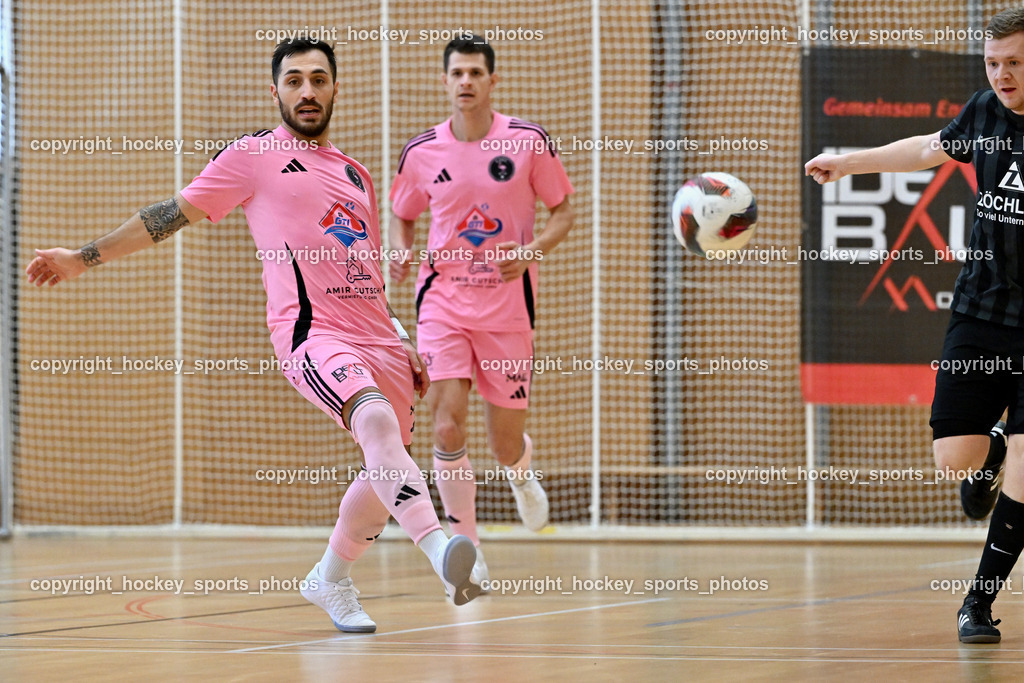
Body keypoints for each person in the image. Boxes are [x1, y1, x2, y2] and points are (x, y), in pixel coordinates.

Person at [25, 38, 481, 633]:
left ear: (336, 89)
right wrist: (84, 258)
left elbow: (362, 269)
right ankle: (440, 549)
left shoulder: (356, 174)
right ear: (276, 92)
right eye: (294, 80)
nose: (308, 91)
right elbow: (170, 213)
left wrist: (400, 334)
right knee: (373, 424)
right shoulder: (252, 156)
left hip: (381, 340)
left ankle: (331, 580)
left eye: (319, 79)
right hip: (313, 333)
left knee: (382, 465)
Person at [803, 8, 1024, 644]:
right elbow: (926, 149)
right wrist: (850, 162)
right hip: (981, 312)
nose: (1002, 74)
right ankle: (991, 456)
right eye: (992, 62)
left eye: (1014, 62)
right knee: (958, 455)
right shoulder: (983, 113)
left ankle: (977, 604)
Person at [388, 35, 575, 584]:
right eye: (456, 73)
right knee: (445, 427)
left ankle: (520, 473)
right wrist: (401, 247)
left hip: (508, 309)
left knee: (502, 441)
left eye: (475, 72)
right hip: (442, 303)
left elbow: (564, 210)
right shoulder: (422, 152)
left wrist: (533, 250)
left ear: (493, 81)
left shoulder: (528, 143)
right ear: (444, 82)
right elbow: (403, 212)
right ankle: (464, 548)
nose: (465, 81)